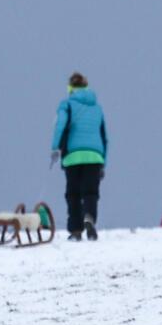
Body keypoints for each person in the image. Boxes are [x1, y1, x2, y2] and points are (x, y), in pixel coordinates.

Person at [51, 72, 108, 240]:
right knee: (91, 192)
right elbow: (105, 137)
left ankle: (76, 230)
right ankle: (89, 218)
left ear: (70, 88)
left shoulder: (67, 105)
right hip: (95, 156)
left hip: (73, 155)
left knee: (73, 193)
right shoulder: (97, 108)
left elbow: (60, 125)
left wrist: (55, 148)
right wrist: (103, 162)